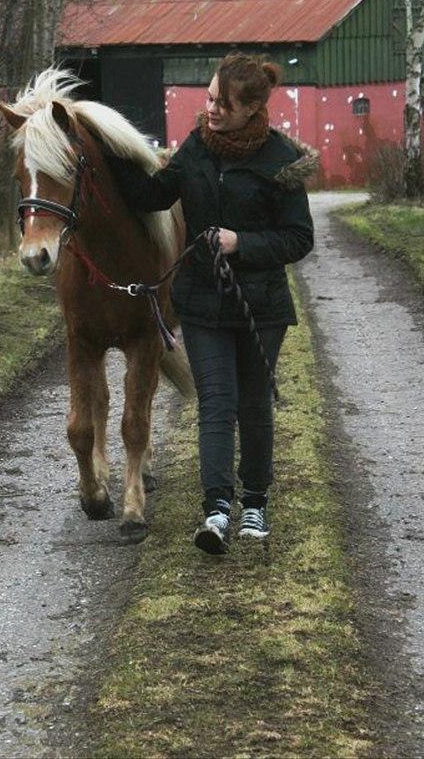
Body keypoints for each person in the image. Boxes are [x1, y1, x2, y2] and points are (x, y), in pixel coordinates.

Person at [106, 52, 317, 554]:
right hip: (201, 300)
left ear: (252, 109)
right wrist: (109, 152)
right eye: (209, 99)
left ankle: (256, 503)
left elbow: (299, 237)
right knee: (216, 404)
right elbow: (154, 195)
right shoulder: (197, 145)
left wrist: (242, 243)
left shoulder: (280, 160)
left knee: (253, 404)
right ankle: (217, 510)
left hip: (260, 306)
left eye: (223, 104)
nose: (212, 109)